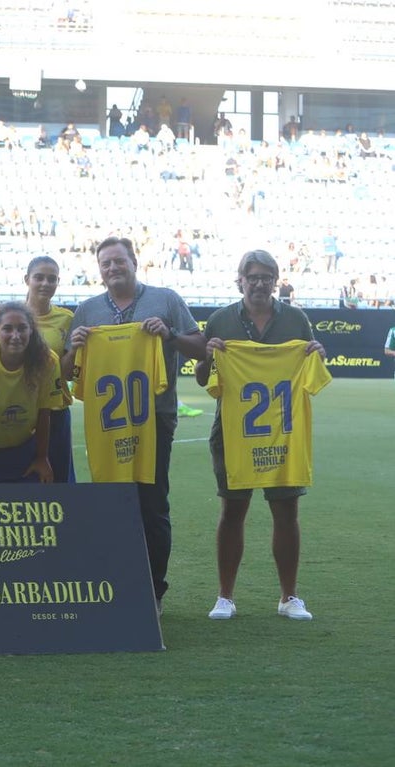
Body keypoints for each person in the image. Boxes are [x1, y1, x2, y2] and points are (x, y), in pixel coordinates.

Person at [63, 236, 207, 611]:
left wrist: (169, 335)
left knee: (152, 503)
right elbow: (64, 371)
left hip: (153, 418)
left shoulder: (166, 299)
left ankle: (153, 590)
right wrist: (74, 347)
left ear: (134, 261)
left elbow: (200, 346)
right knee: (110, 502)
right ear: (99, 270)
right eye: (106, 263)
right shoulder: (87, 311)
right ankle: (115, 582)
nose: (112, 268)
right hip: (107, 422)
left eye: (118, 261)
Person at [195, 250, 329, 621]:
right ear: (239, 280)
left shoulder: (296, 319)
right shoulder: (221, 319)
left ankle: (289, 596)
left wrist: (317, 353)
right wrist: (208, 355)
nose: (258, 283)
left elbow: (311, 368)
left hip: (283, 433)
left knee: (287, 511)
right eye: (251, 276)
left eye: (265, 276)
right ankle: (225, 596)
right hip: (233, 432)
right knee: (232, 509)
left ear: (276, 280)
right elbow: (204, 378)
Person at [0, 256, 78, 481]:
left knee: (58, 479)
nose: (45, 283)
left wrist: (74, 351)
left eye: (51, 279)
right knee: (23, 482)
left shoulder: (67, 319)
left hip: (54, 412)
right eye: (39, 277)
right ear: (27, 279)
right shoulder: (5, 318)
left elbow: (66, 373)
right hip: (17, 413)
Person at [0, 302, 64, 484]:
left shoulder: (48, 362)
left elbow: (44, 414)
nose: (15, 336)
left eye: (22, 328)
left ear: (31, 330)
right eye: (7, 329)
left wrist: (41, 458)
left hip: (24, 447)